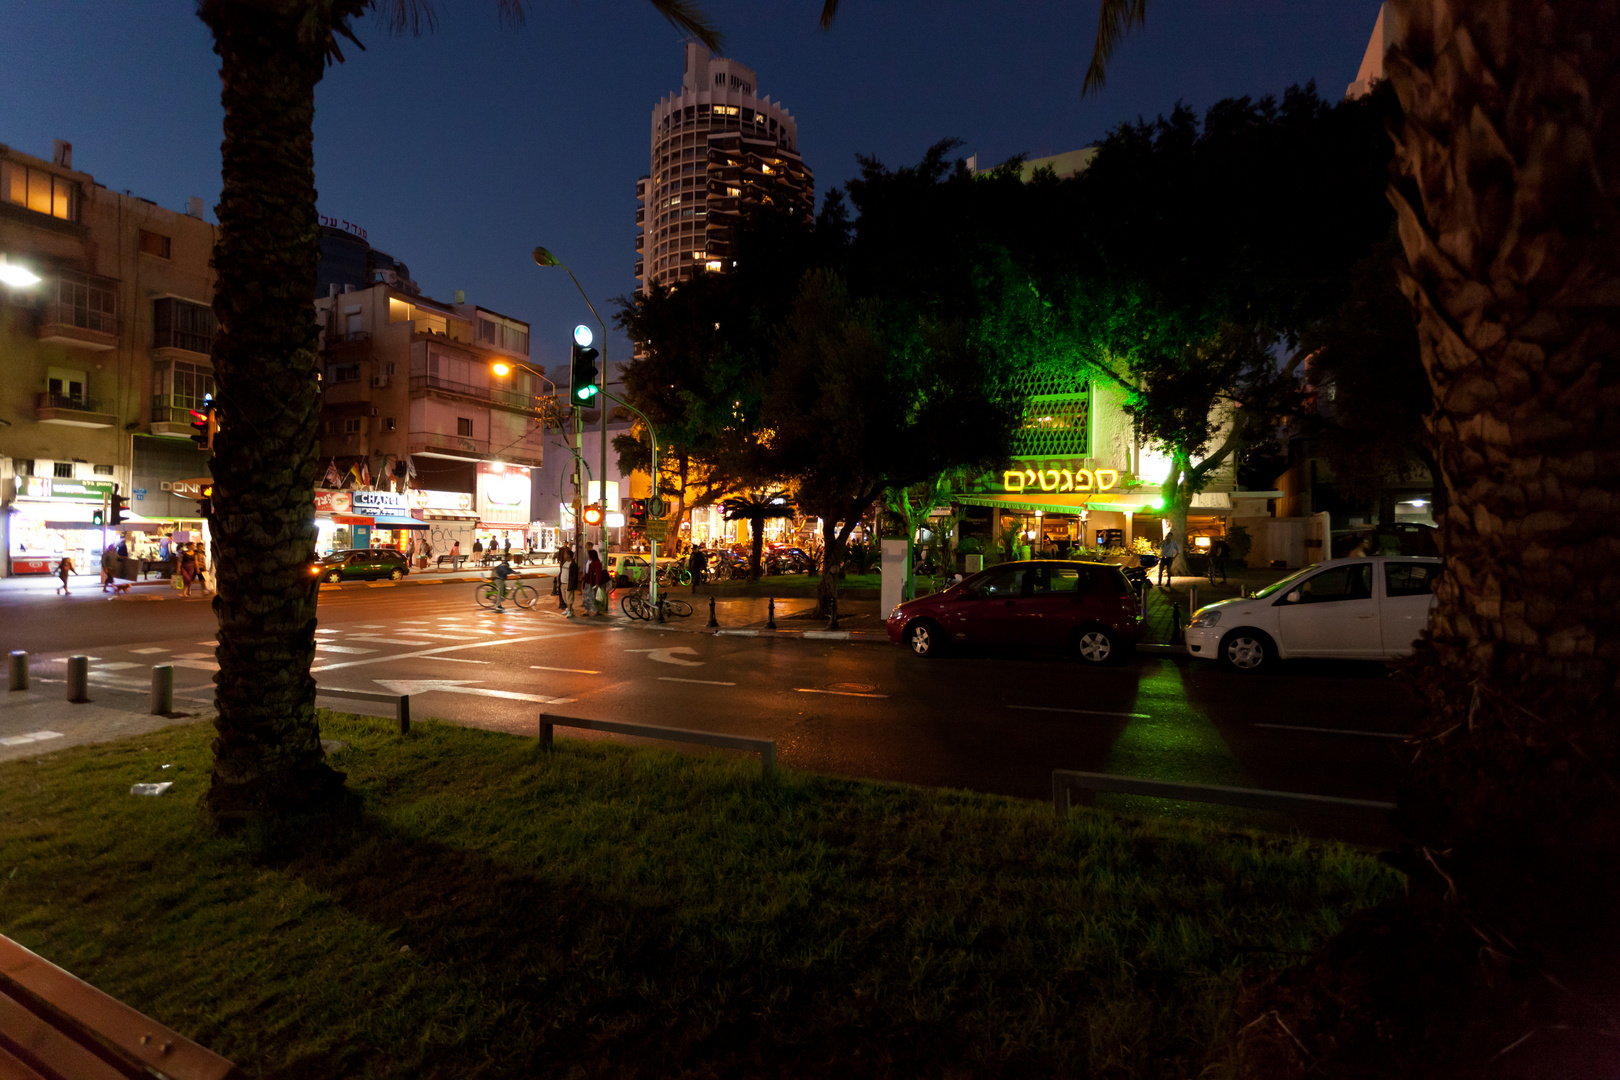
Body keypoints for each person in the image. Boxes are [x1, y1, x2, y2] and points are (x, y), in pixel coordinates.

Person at [583, 546, 606, 616]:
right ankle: (587, 610)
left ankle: (596, 610)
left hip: (592, 582)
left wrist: (597, 583)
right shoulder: (588, 562)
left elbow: (598, 573)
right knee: (586, 596)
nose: (587, 556)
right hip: (587, 581)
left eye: (588, 554)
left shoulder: (596, 563)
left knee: (594, 596)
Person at [559, 549, 580, 618]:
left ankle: (570, 611)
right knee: (565, 598)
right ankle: (569, 609)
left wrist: (572, 584)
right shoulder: (564, 563)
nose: (564, 555)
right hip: (563, 583)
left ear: (568, 555)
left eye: (565, 554)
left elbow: (574, 576)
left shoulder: (573, 564)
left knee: (569, 598)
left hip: (568, 583)